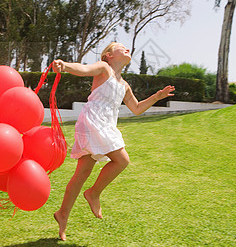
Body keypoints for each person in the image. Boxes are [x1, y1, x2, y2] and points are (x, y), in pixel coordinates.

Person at [52, 42, 175, 241]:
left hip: (106, 125)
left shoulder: (124, 85)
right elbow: (83, 69)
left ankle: (63, 214)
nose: (127, 49)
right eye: (121, 47)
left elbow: (136, 108)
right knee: (122, 160)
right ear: (109, 55)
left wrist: (157, 96)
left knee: (82, 172)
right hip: (92, 121)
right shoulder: (103, 68)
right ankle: (93, 193)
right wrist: (64, 66)